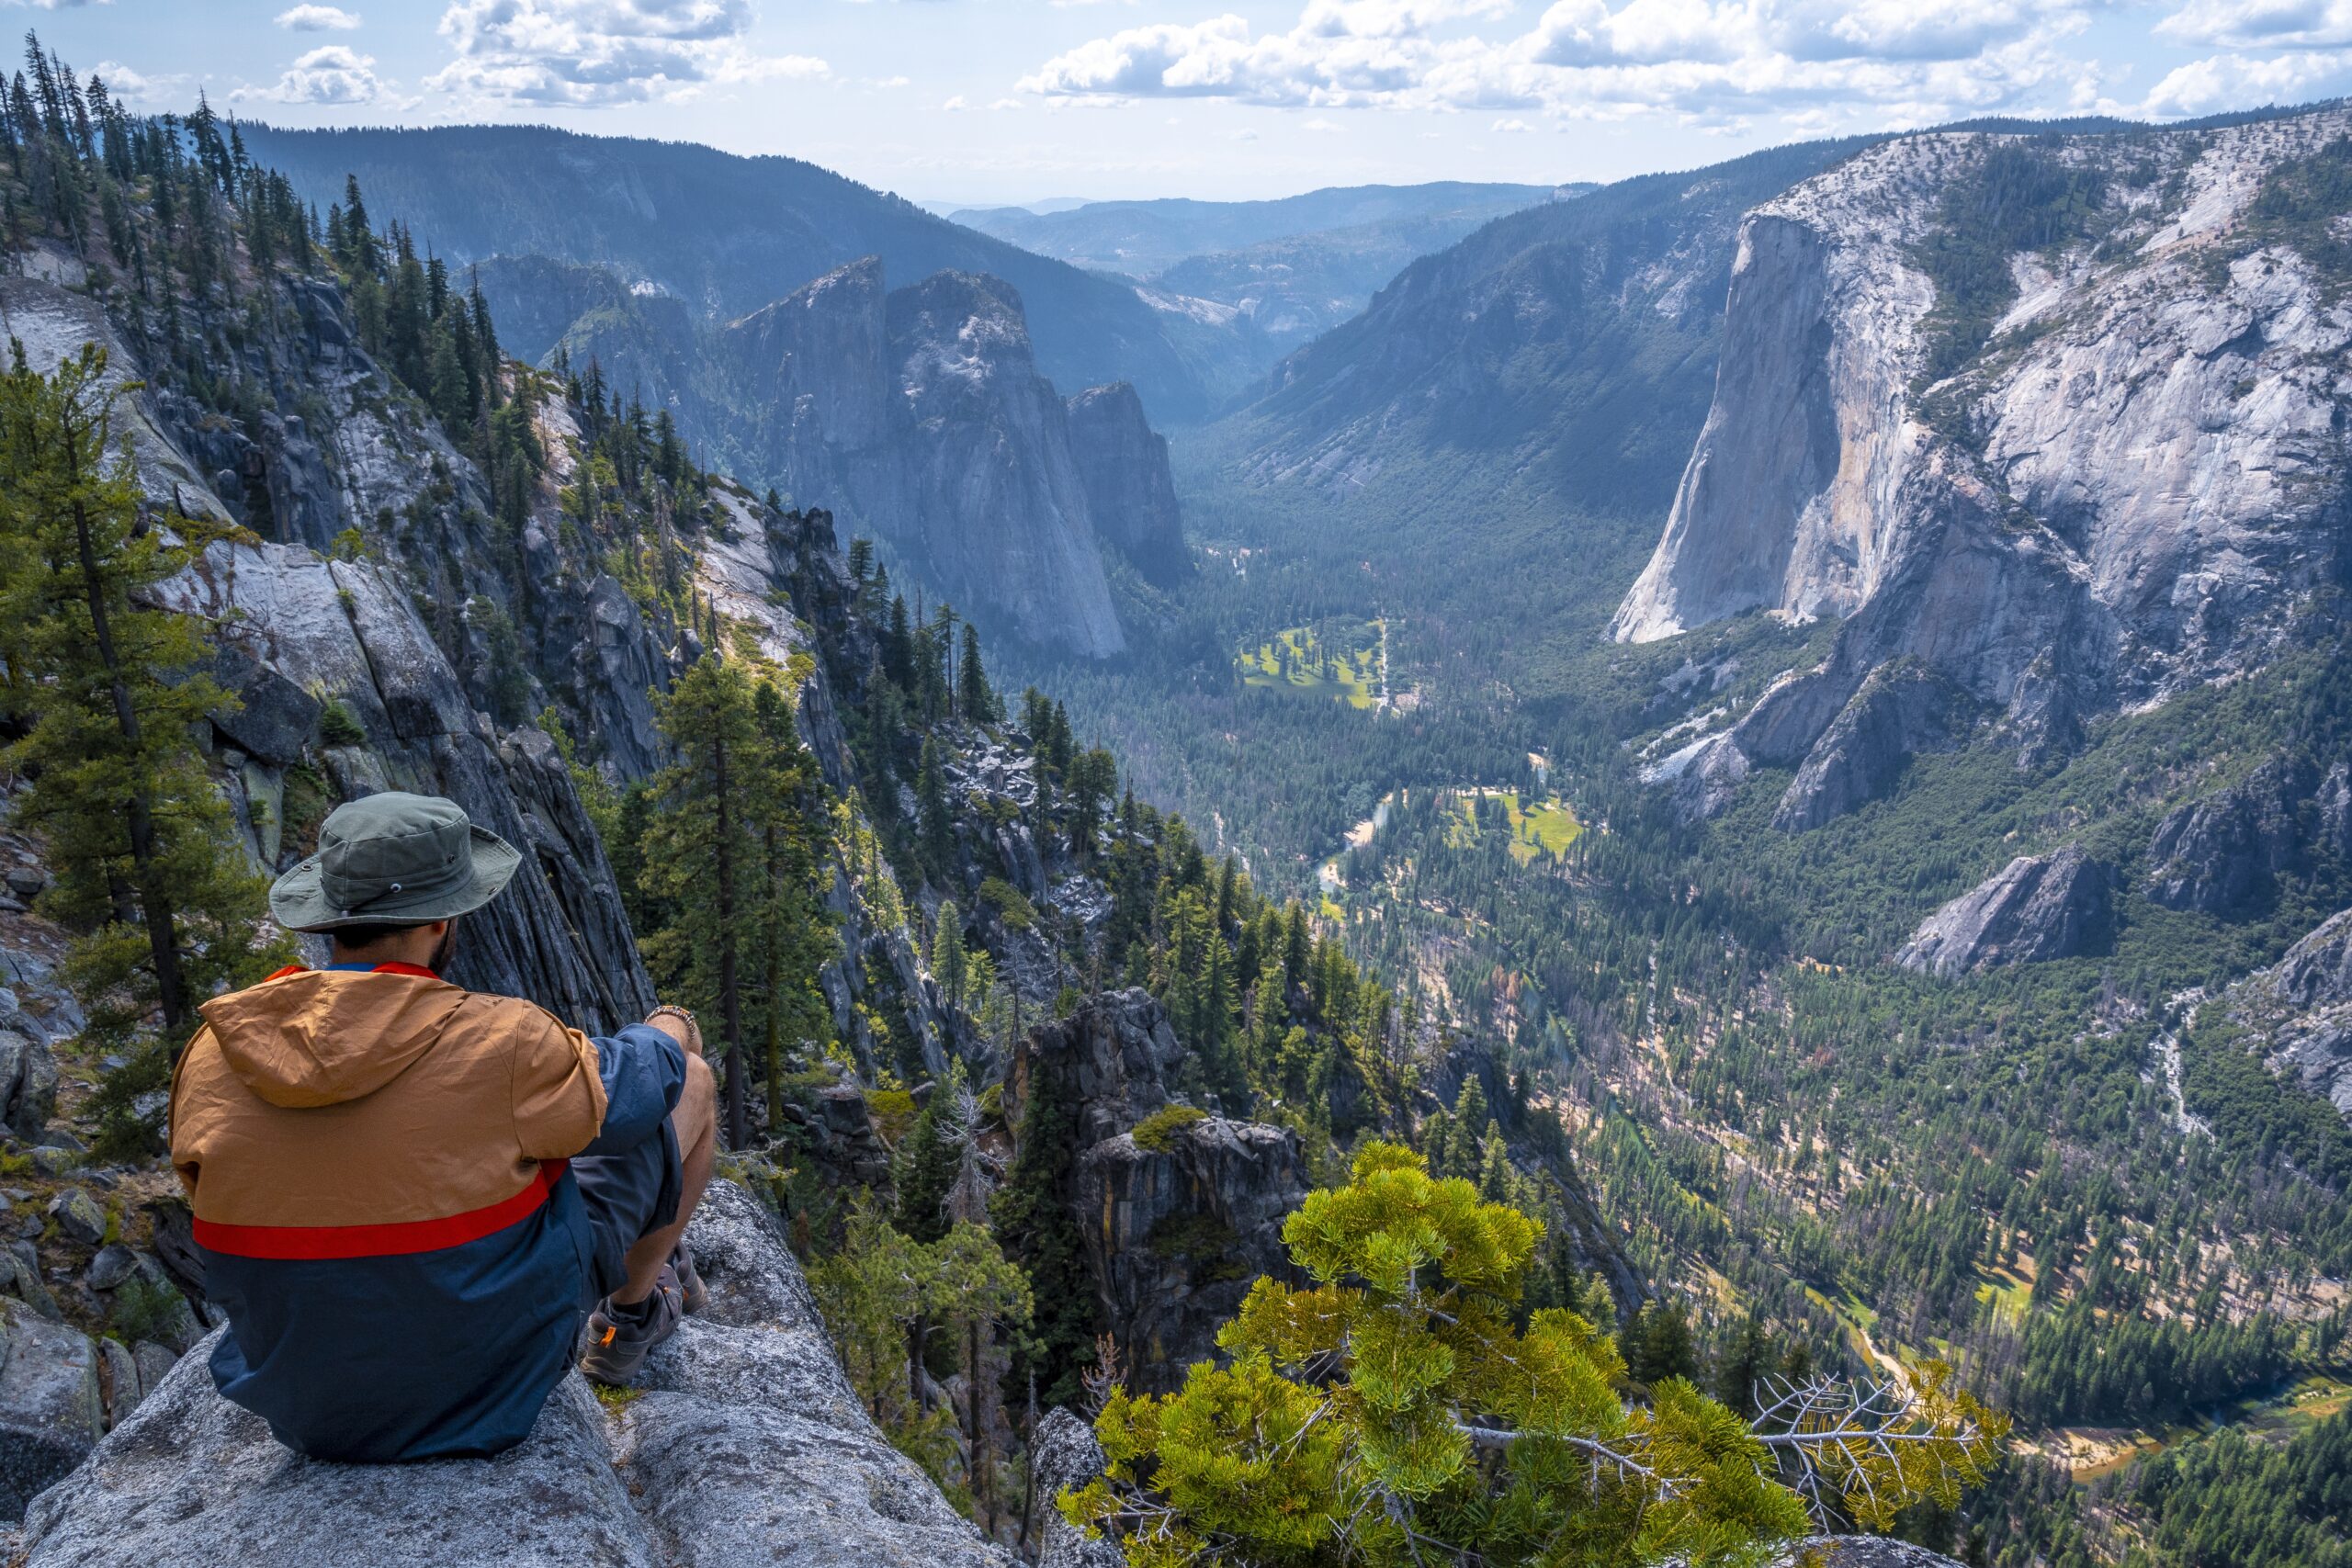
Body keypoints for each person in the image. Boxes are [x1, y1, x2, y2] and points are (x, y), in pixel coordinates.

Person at [168, 792, 719, 1461]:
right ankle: (628, 1322)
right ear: (442, 921)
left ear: (329, 918)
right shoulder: (503, 1041)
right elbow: (647, 1082)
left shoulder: (214, 1052)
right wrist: (674, 1018)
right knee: (691, 1085)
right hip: (485, 1388)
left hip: (310, 1408)